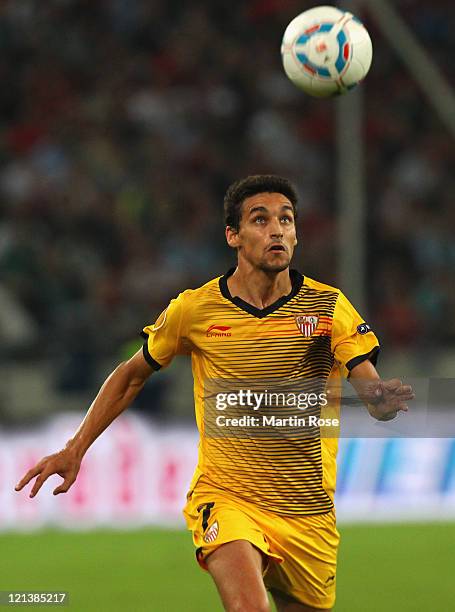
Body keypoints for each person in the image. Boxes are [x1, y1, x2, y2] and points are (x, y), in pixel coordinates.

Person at [16, 175, 414, 611]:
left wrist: (381, 400)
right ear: (233, 235)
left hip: (307, 512)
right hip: (228, 497)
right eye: (260, 220)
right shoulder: (195, 309)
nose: (276, 230)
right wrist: (76, 447)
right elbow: (131, 375)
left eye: (286, 220)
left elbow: (370, 386)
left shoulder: (328, 306)